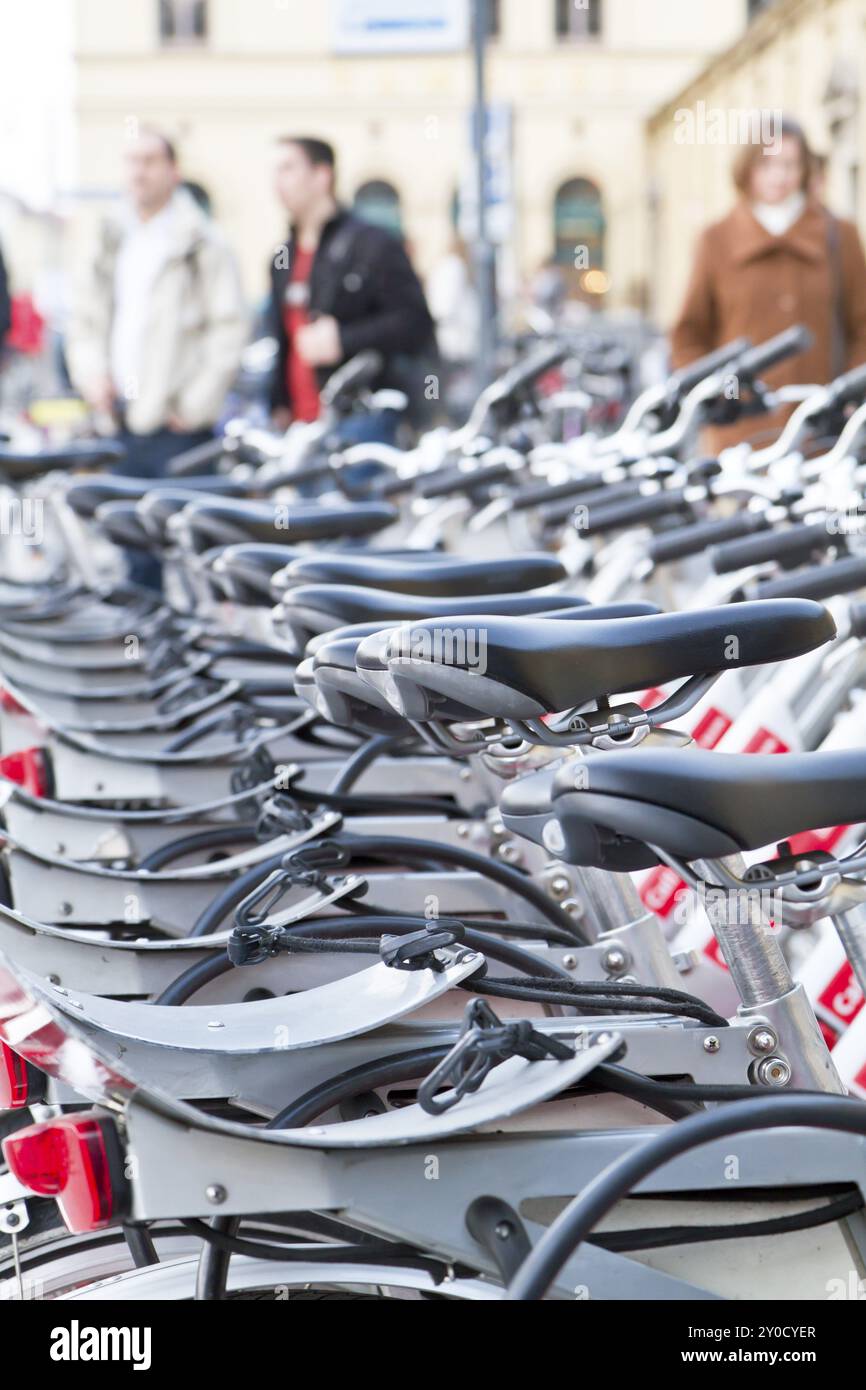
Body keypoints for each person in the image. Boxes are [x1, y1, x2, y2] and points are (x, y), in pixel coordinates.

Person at [670, 116, 866, 451]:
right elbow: (689, 334)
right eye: (768, 164)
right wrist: (719, 394)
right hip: (739, 440)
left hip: (824, 436)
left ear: (805, 170)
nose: (780, 175)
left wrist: (851, 393)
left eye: (790, 164)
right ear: (747, 168)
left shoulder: (839, 236)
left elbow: (862, 326)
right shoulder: (716, 239)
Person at [67, 129, 246, 480]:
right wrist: (92, 377)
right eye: (132, 161)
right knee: (118, 530)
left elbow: (230, 328)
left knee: (181, 529)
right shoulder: (109, 238)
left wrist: (194, 406)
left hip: (178, 432)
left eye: (150, 161)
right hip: (117, 424)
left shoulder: (203, 242)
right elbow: (85, 320)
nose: (139, 172)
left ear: (173, 171)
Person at [268, 136, 437, 444]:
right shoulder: (283, 257)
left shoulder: (372, 245)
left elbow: (416, 323)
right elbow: (284, 340)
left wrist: (344, 339)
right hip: (299, 431)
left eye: (288, 169)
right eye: (276, 171)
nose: (278, 182)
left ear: (322, 176)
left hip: (360, 424)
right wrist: (277, 404)